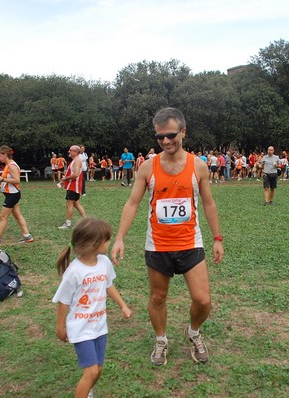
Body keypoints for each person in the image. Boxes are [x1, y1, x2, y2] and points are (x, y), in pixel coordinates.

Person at [111, 107, 224, 366]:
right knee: (157, 297)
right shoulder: (148, 167)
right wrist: (119, 237)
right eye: (160, 137)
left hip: (190, 243)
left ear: (183, 132)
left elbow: (208, 204)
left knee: (202, 299)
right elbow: (132, 203)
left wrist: (217, 238)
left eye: (171, 135)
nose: (165, 141)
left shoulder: (199, 166)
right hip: (158, 245)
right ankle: (161, 340)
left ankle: (193, 332)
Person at [53, 217, 131, 398]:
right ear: (94, 243)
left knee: (98, 369)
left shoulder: (104, 263)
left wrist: (123, 306)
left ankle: (87, 392)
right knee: (91, 372)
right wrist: (60, 327)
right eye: (106, 239)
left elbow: (108, 285)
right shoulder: (74, 271)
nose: (109, 242)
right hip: (81, 329)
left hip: (99, 326)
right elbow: (63, 301)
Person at [0, 146, 34, 246]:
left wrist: (1, 179)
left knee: (3, 217)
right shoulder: (8, 165)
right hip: (11, 194)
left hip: (12, 195)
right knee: (17, 215)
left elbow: (17, 180)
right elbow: (10, 181)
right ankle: (27, 236)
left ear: (5, 154)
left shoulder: (12, 166)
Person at [58, 145, 87, 229]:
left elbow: (75, 174)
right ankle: (86, 220)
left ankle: (68, 224)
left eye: (70, 150)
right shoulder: (75, 160)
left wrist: (66, 178)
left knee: (69, 204)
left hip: (73, 186)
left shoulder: (77, 161)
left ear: (75, 152)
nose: (69, 152)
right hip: (74, 186)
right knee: (76, 204)